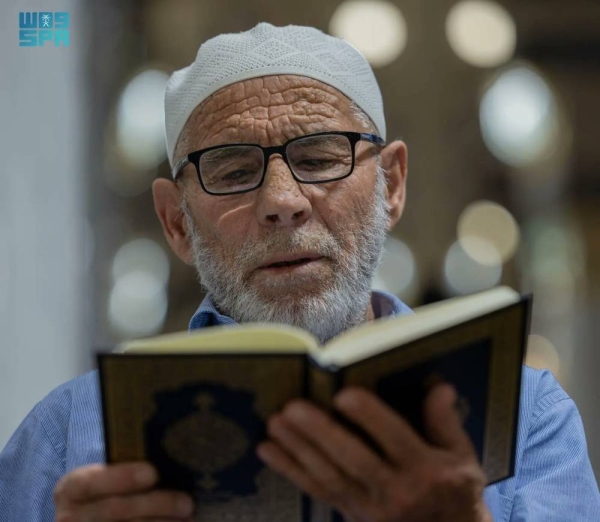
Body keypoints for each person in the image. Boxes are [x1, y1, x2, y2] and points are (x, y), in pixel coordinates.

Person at [1, 22, 598, 522]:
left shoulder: (524, 418)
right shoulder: (67, 437)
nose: (282, 200)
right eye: (232, 172)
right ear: (175, 222)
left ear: (390, 186)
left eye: (318, 158)